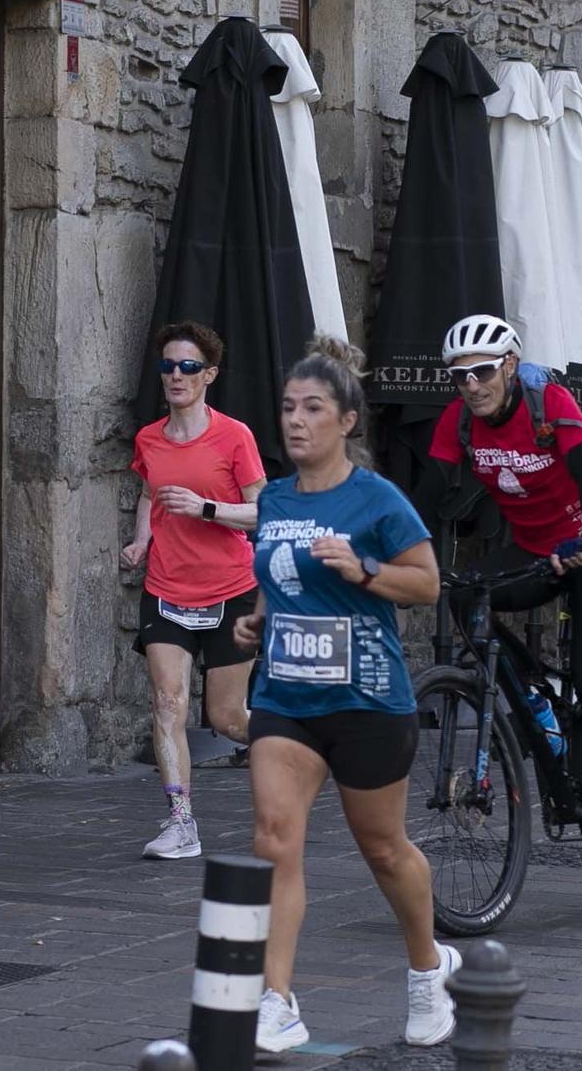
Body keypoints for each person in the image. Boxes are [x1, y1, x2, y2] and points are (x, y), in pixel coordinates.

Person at [231, 337, 457, 1052]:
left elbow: (425, 584)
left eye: (313, 409)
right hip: (287, 697)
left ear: (346, 421)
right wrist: (258, 621)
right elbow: (282, 579)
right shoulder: (273, 498)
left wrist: (363, 568)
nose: (296, 421)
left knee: (384, 848)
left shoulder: (377, 499)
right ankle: (277, 1000)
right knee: (274, 839)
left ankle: (428, 968)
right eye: (289, 408)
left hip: (366, 699)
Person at [426, 313, 582, 873]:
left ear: (509, 365)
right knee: (464, 597)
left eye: (480, 372)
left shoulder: (547, 403)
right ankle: (533, 698)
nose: (470, 385)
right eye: (458, 377)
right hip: (533, 549)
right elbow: (427, 495)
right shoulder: (459, 422)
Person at [121, 322, 265, 860]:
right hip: (166, 587)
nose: (175, 376)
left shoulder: (235, 437)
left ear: (209, 375)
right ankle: (181, 822)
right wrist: (141, 539)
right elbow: (148, 495)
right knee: (167, 703)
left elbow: (261, 511)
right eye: (167, 367)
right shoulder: (149, 438)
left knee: (228, 720)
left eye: (187, 367)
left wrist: (207, 509)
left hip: (230, 589)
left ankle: (293, 747)